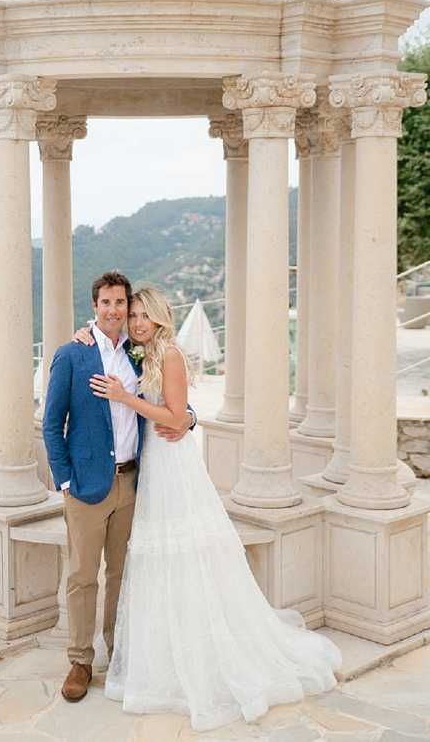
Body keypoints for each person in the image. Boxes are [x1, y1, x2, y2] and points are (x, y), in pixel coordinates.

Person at [83, 286, 341, 732]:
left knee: (185, 549)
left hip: (172, 464)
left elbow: (174, 414)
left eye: (145, 315)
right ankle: (165, 645)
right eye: (134, 315)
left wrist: (127, 399)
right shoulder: (139, 352)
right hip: (153, 462)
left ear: (161, 317)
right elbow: (178, 412)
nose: (138, 322)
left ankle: (202, 650)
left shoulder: (171, 355)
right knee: (158, 555)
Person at [42, 272, 196, 704]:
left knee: (121, 574)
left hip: (134, 481)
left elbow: (171, 403)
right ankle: (80, 659)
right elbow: (52, 424)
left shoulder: (137, 354)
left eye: (121, 305)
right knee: (81, 576)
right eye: (106, 303)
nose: (114, 312)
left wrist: (191, 421)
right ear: (94, 306)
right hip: (87, 486)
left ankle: (119, 653)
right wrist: (66, 479)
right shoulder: (72, 354)